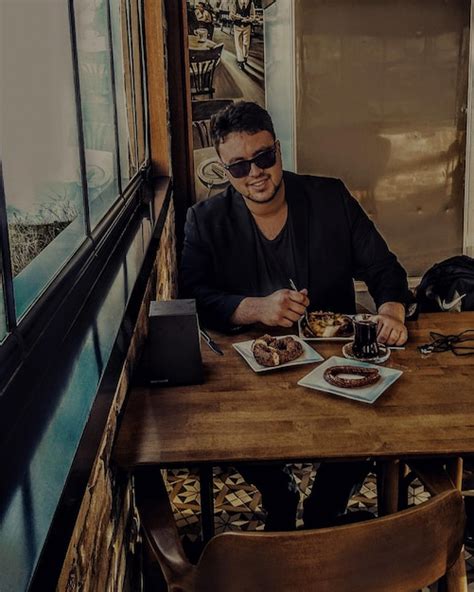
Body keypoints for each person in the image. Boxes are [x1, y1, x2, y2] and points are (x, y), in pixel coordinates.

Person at [180, 101, 409, 531]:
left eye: (264, 157)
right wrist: (254, 308)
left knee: (366, 433)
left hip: (335, 366)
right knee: (233, 435)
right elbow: (194, 296)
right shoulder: (204, 220)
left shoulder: (330, 198)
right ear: (224, 169)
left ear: (279, 150)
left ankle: (325, 509)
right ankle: (278, 494)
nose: (256, 173)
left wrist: (392, 310)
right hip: (254, 371)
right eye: (239, 167)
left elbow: (384, 268)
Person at [230, 0, 256, 70]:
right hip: (237, 26)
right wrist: (235, 17)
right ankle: (240, 61)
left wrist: (249, 19)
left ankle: (245, 56)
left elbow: (253, 16)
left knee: (246, 43)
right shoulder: (235, 2)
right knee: (238, 43)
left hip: (247, 26)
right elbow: (231, 15)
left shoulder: (251, 3)